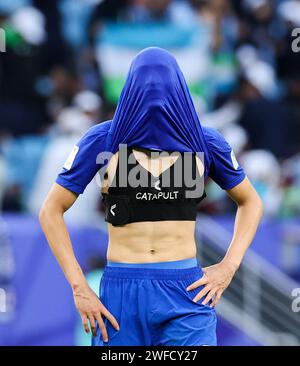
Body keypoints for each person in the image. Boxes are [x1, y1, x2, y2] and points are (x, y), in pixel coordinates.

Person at [39, 47, 263, 346]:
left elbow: (251, 201)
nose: (155, 97)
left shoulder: (206, 142)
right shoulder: (100, 140)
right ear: (129, 91)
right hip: (121, 294)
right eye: (144, 88)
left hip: (185, 291)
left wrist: (228, 266)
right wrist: (79, 286)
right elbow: (50, 210)